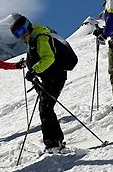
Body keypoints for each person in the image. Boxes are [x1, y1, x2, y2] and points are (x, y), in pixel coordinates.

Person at [10, 15, 71, 153]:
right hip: (50, 77)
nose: (20, 37)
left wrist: (34, 71)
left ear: (27, 27)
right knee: (46, 108)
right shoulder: (33, 39)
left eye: (20, 32)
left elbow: (48, 58)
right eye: (16, 35)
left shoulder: (41, 37)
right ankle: (55, 142)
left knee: (46, 108)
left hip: (55, 76)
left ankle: (53, 144)